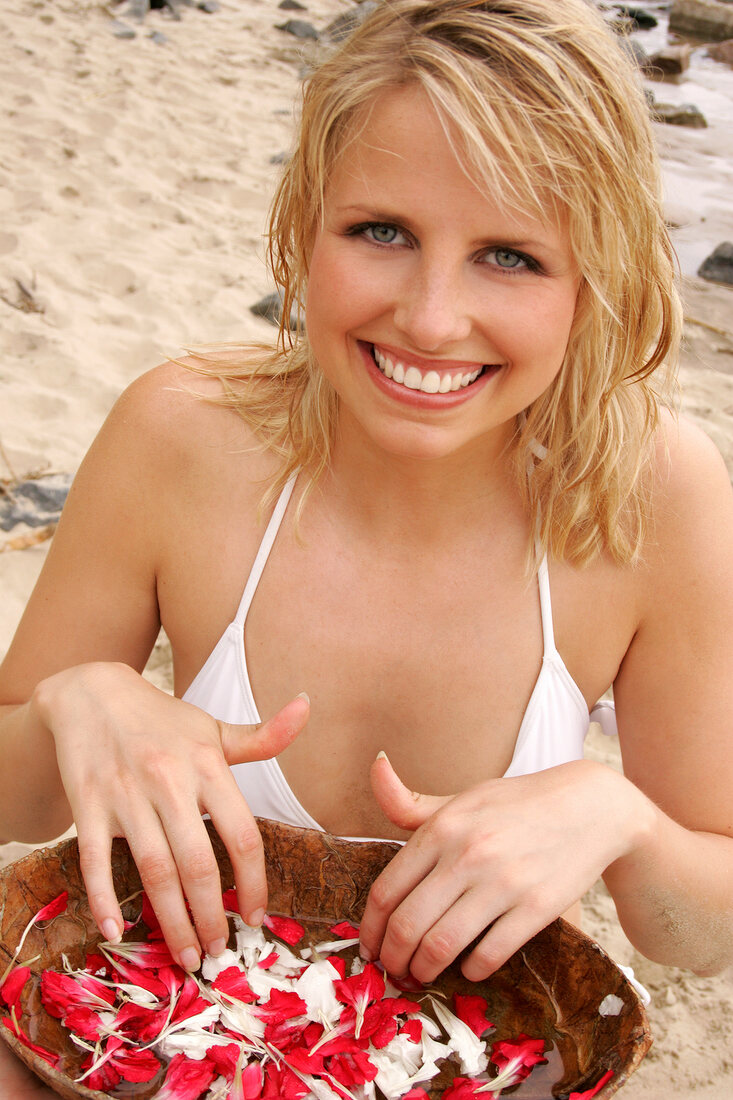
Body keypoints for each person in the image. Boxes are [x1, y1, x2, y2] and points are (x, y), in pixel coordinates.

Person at [1, 0, 732, 1091]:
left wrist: (620, 817)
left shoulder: (650, 491)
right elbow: (17, 806)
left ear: (596, 278)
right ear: (304, 228)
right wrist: (77, 699)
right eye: (381, 231)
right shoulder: (178, 434)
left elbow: (698, 930)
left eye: (510, 255)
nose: (433, 320)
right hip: (161, 1040)